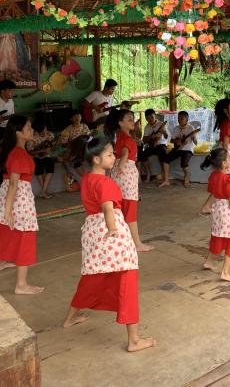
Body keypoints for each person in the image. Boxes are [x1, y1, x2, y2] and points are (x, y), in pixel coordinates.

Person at [63, 136, 155, 353]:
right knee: (128, 282)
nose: (114, 157)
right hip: (111, 234)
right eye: (110, 154)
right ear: (96, 159)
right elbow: (107, 208)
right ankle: (134, 341)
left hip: (93, 233)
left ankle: (69, 319)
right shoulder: (106, 182)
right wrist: (113, 229)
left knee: (92, 276)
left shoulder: (87, 179)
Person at [0, 115, 44, 294]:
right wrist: (8, 209)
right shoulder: (18, 153)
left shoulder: (16, 151)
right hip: (19, 200)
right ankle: (21, 285)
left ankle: (4, 262)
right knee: (25, 236)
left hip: (16, 198)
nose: (32, 130)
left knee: (9, 233)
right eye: (28, 128)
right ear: (18, 133)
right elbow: (13, 183)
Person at [109, 110, 153, 252]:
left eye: (132, 118)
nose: (132, 121)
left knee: (120, 208)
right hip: (126, 173)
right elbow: (125, 154)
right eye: (129, 119)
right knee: (130, 209)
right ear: (120, 122)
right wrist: (121, 166)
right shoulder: (127, 139)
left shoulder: (120, 136)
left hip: (118, 174)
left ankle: (121, 239)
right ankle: (137, 244)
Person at [200, 148, 230, 282]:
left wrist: (207, 206)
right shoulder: (229, 180)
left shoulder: (214, 176)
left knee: (218, 235)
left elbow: (213, 194)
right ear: (224, 163)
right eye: (228, 159)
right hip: (225, 212)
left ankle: (209, 262)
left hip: (216, 211)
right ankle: (225, 272)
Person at [164, 111, 199, 188]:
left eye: (182, 118)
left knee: (183, 163)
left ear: (187, 119)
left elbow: (196, 143)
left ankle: (186, 176)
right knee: (165, 159)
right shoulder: (176, 128)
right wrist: (177, 141)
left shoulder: (191, 128)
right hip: (178, 149)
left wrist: (193, 137)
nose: (179, 120)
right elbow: (171, 140)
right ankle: (166, 180)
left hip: (187, 149)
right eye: (178, 118)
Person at [60, 110, 91, 191]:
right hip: (74, 151)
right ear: (71, 119)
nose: (77, 118)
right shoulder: (67, 130)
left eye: (78, 116)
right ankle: (79, 182)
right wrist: (74, 143)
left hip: (85, 149)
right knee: (76, 165)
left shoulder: (84, 126)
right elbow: (64, 143)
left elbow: (89, 138)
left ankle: (86, 183)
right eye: (75, 116)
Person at [27, 117, 56, 199]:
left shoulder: (50, 135)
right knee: (38, 169)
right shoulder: (32, 137)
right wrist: (41, 150)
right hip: (37, 157)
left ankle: (43, 191)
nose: (42, 133)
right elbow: (30, 151)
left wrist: (50, 149)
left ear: (45, 127)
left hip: (48, 156)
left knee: (50, 168)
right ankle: (44, 191)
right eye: (40, 132)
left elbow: (54, 147)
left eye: (43, 130)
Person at [140, 109, 169, 187]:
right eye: (148, 118)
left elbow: (166, 137)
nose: (150, 120)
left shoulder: (161, 124)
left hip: (161, 144)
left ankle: (166, 179)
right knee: (142, 154)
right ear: (146, 118)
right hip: (152, 146)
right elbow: (144, 139)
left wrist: (164, 132)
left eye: (151, 117)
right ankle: (148, 173)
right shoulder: (147, 127)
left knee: (164, 155)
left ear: (155, 116)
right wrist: (150, 136)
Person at [214, 98, 230, 183]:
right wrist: (226, 158)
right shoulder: (227, 123)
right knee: (229, 176)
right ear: (225, 110)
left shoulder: (226, 122)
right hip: (228, 151)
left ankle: (224, 194)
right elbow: (225, 143)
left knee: (225, 175)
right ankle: (229, 194)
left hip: (227, 150)